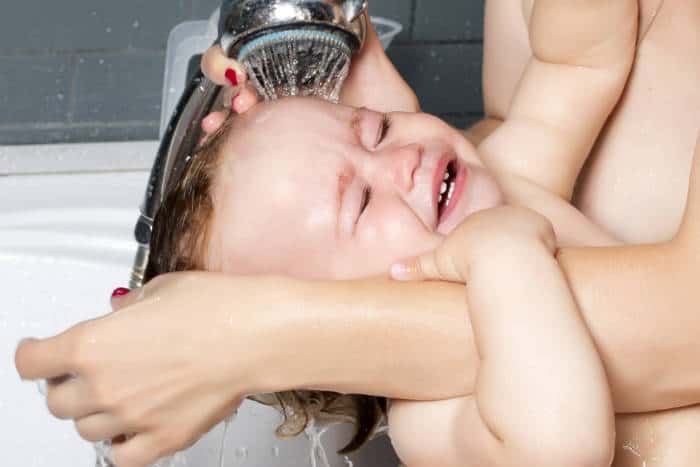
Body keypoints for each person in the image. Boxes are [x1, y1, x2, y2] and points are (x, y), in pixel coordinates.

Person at [15, 1, 700, 466]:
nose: (400, 159)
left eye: (373, 129)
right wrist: (506, 258)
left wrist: (357, 45)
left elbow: (580, 64)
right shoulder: (429, 416)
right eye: (363, 202)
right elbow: (560, 447)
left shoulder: (511, 176)